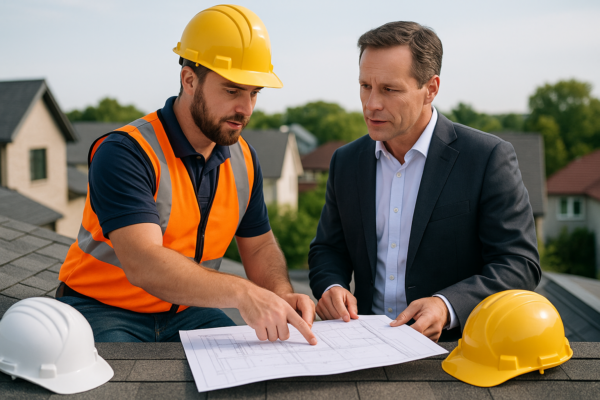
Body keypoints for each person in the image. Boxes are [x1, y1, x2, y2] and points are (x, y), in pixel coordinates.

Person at [57, 5, 316, 345]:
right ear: (190, 79)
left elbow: (259, 246)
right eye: (232, 90)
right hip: (101, 308)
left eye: (254, 93)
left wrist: (281, 293)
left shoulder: (245, 160)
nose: (246, 109)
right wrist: (242, 293)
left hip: (187, 312)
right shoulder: (125, 152)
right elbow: (143, 264)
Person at [308, 21, 541, 342]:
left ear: (431, 88)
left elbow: (519, 263)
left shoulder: (487, 157)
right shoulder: (345, 161)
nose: (371, 103)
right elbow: (328, 248)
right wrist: (331, 286)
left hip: (453, 348)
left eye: (389, 89)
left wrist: (447, 306)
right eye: (365, 86)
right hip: (361, 344)